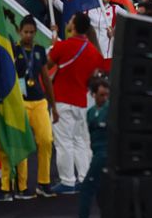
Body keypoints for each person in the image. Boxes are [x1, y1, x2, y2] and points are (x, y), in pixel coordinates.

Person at [47, 12, 110, 194]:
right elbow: (93, 75)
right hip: (82, 101)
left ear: (73, 26)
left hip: (62, 100)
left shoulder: (63, 47)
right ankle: (84, 178)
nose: (68, 21)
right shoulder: (92, 51)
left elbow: (48, 64)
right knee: (80, 141)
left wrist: (54, 46)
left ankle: (67, 181)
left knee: (63, 142)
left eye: (70, 19)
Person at [13, 16, 57, 199]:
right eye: (26, 32)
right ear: (19, 31)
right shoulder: (14, 50)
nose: (29, 35)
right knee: (23, 145)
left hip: (39, 101)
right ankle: (22, 186)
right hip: (20, 102)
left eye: (32, 32)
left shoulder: (39, 51)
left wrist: (53, 105)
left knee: (46, 140)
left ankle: (44, 183)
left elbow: (46, 78)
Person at [63, 78, 111, 218]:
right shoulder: (91, 113)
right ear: (93, 94)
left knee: (86, 189)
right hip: (97, 155)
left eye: (106, 95)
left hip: (105, 156)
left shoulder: (110, 110)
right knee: (102, 193)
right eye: (101, 95)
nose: (104, 98)